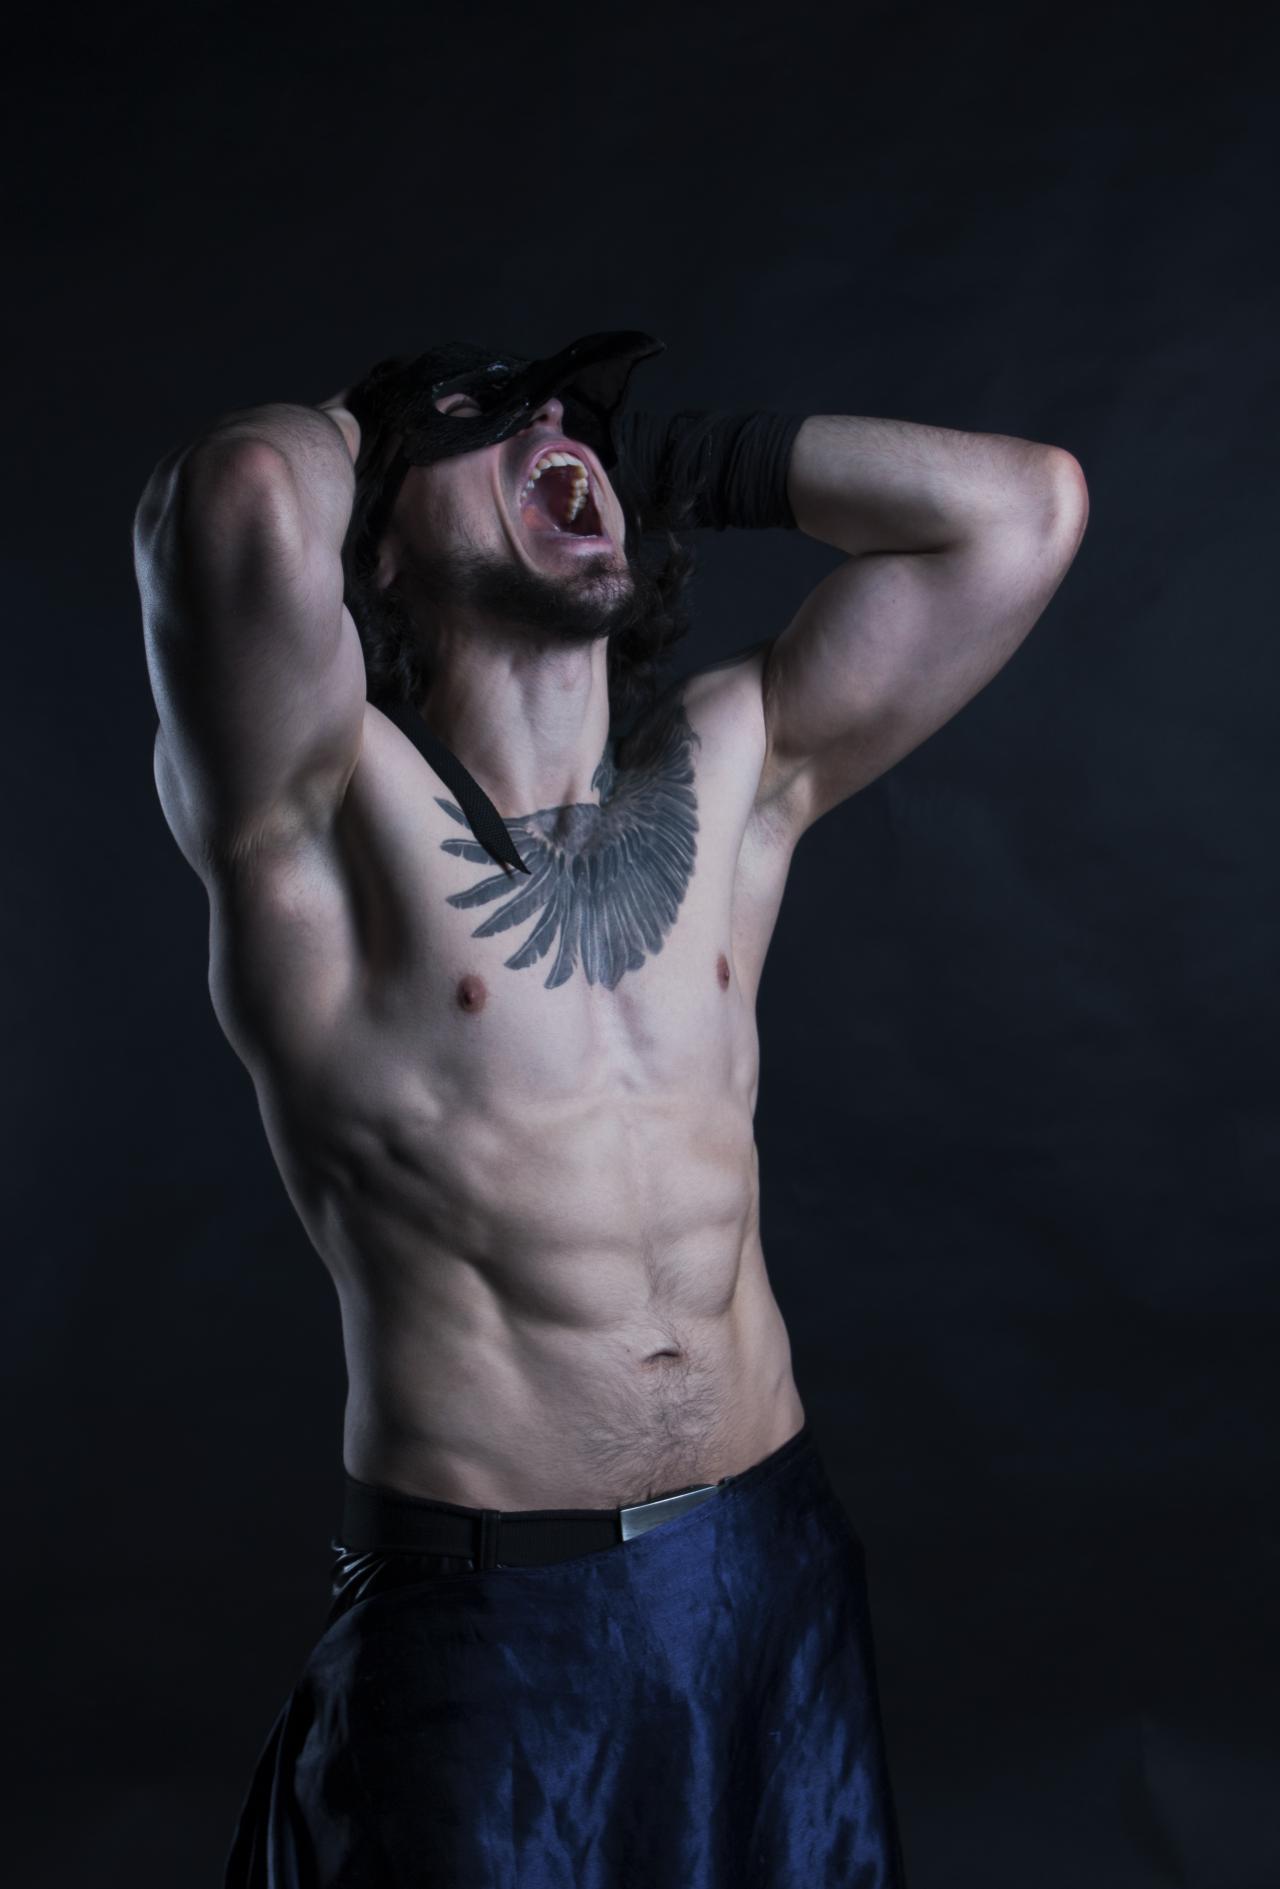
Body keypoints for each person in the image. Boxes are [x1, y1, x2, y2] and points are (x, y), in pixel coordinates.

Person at [132, 330, 1088, 1887]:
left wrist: (672, 462)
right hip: (491, 1627)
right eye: (487, 421)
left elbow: (1024, 512)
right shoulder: (326, 808)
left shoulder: (731, 763)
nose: (550, 427)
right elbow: (240, 492)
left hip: (771, 1580)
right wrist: (375, 422)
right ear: (379, 540)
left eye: (575, 420)